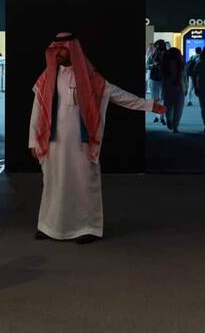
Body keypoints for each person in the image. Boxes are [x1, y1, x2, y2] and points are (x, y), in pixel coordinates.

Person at [29, 32, 165, 243]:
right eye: (55, 48)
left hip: (81, 144)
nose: (57, 52)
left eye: (62, 48)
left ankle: (88, 228)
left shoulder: (89, 78)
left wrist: (149, 105)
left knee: (84, 184)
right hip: (54, 142)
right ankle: (49, 227)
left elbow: (119, 96)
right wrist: (33, 141)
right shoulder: (48, 77)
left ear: (72, 50)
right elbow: (37, 110)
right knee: (53, 183)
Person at [161, 46, 186, 132]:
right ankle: (175, 126)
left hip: (167, 86)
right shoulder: (180, 63)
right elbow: (184, 77)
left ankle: (169, 119)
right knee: (178, 107)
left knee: (168, 105)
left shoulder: (165, 63)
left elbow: (163, 77)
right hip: (179, 87)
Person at [146, 39, 167, 126]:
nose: (156, 47)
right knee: (157, 98)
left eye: (157, 45)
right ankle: (159, 116)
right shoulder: (153, 54)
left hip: (161, 78)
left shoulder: (165, 54)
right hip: (156, 77)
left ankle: (160, 116)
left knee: (160, 98)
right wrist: (153, 65)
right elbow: (147, 65)